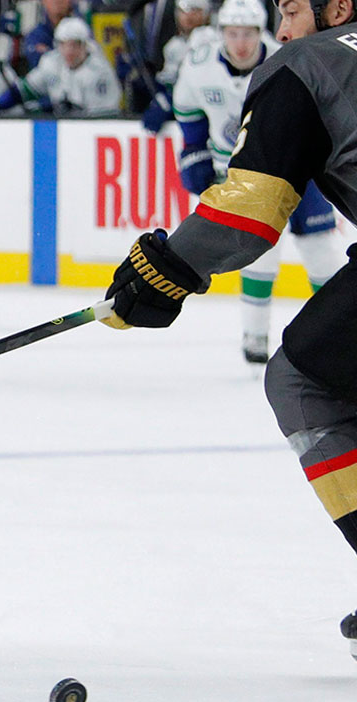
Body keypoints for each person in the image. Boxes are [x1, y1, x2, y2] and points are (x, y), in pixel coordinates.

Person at [100, 0, 357, 660]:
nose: (281, 27)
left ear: (339, 7)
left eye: (290, 9)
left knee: (306, 381)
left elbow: (247, 217)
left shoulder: (306, 63)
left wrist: (165, 269)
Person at [171, 0, 342, 366]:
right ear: (220, 33)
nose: (241, 43)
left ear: (261, 32)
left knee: (321, 251)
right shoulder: (199, 66)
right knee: (257, 253)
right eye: (232, 33)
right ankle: (254, 334)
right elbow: (188, 111)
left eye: (248, 34)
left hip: (298, 168)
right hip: (240, 171)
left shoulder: (290, 57)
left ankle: (340, 334)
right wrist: (193, 151)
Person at [0, 16, 121, 116]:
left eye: (75, 45)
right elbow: (24, 91)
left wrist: (73, 112)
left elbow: (104, 118)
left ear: (85, 45)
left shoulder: (100, 72)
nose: (69, 51)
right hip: (59, 128)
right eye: (63, 44)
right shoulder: (52, 62)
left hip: (87, 132)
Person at [140, 0, 216, 133]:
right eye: (183, 11)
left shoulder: (212, 40)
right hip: (183, 112)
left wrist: (170, 99)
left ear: (206, 14)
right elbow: (169, 81)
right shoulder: (173, 46)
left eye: (195, 10)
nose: (188, 16)